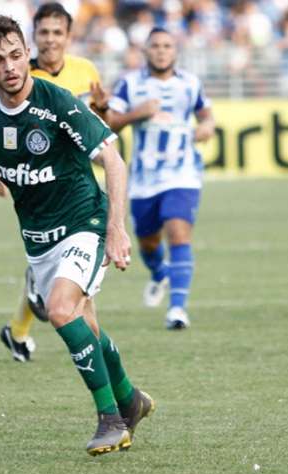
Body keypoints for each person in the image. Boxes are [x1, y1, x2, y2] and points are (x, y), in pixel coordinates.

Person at [0, 15, 154, 456]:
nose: (8, 66)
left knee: (62, 311)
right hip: (38, 237)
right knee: (87, 326)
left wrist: (117, 229)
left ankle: (110, 420)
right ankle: (130, 399)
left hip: (86, 221)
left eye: (14, 55)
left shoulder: (58, 101)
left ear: (26, 53)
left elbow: (114, 161)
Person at [0, 2, 112, 363]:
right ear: (33, 38)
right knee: (72, 288)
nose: (50, 39)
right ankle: (111, 380)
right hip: (38, 187)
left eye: (57, 32)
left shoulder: (84, 70)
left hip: (80, 183)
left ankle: (20, 329)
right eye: (43, 32)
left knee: (77, 289)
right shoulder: (20, 76)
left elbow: (100, 126)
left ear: (68, 36)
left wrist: (104, 109)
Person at [106, 27, 215, 330]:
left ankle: (177, 310)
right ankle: (159, 274)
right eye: (155, 46)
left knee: (178, 232)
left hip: (183, 173)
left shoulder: (190, 84)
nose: (162, 50)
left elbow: (206, 115)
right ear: (146, 51)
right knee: (148, 241)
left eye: (167, 45)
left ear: (175, 51)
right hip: (143, 178)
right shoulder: (130, 84)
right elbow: (109, 124)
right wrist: (136, 114)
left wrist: (207, 127)